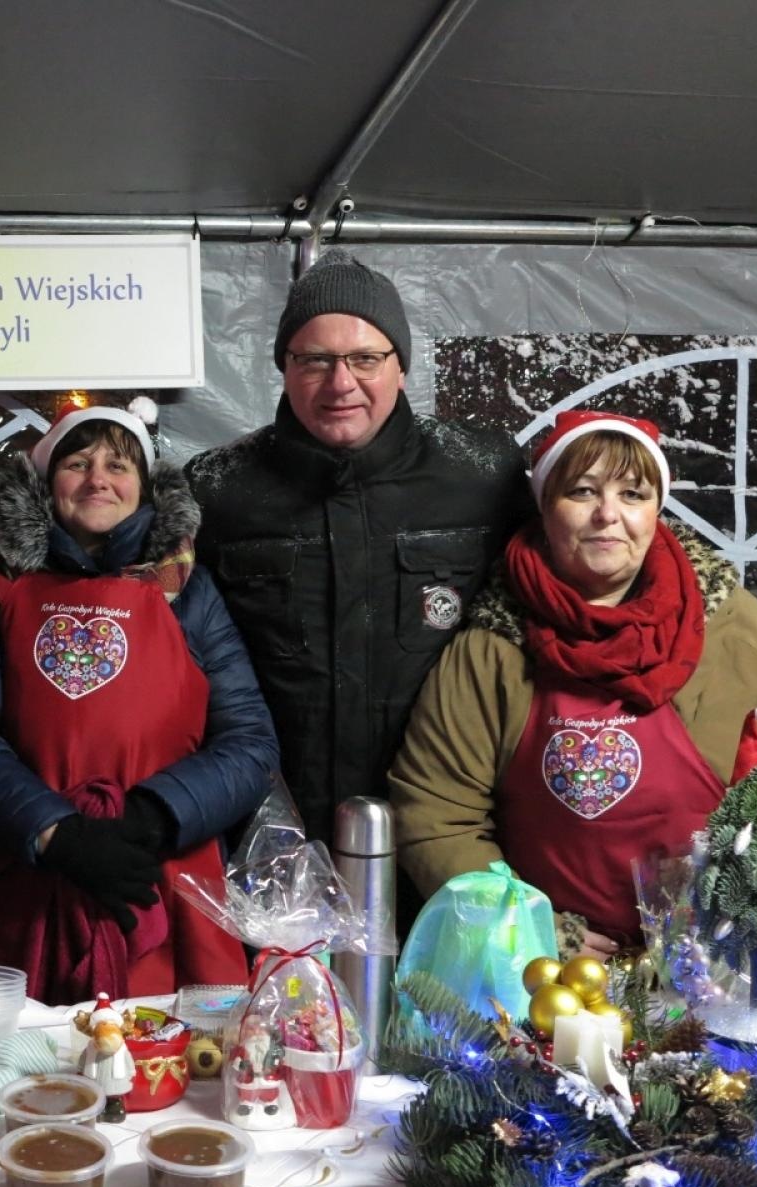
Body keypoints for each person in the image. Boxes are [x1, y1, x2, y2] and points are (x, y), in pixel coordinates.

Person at [390, 411, 757, 956]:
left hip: (726, 967)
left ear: (656, 510)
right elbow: (435, 814)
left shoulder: (736, 628)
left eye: (632, 494)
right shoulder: (493, 649)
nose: (608, 515)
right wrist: (525, 929)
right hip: (547, 978)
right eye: (582, 491)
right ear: (546, 507)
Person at [0, 398, 279, 1003]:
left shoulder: (188, 587)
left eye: (119, 465)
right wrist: (56, 832)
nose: (98, 480)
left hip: (159, 880)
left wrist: (152, 817)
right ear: (44, 482)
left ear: (144, 485)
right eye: (78, 463)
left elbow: (249, 741)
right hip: (21, 876)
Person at [186, 251, 529, 849]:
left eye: (365, 359)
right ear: (285, 369)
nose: (340, 383)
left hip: (448, 830)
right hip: (274, 837)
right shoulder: (216, 489)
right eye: (314, 360)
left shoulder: (482, 475)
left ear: (400, 368)